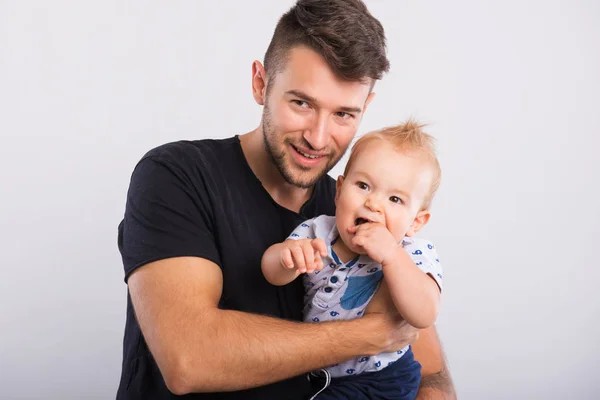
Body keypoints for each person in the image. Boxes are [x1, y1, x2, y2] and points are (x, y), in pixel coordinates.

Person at [116, 0, 456, 399]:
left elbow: (428, 367)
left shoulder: (360, 208)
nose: (317, 136)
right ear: (261, 83)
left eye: (344, 114)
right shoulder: (178, 175)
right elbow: (189, 361)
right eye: (302, 103)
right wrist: (369, 334)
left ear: (366, 108)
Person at [261, 122, 443, 399]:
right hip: (319, 374)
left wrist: (392, 256)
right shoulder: (319, 231)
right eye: (363, 186)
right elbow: (271, 272)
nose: (373, 203)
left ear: (416, 222)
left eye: (395, 199)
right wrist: (288, 258)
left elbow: (424, 314)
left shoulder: (413, 253)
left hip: (382, 378)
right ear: (339, 190)